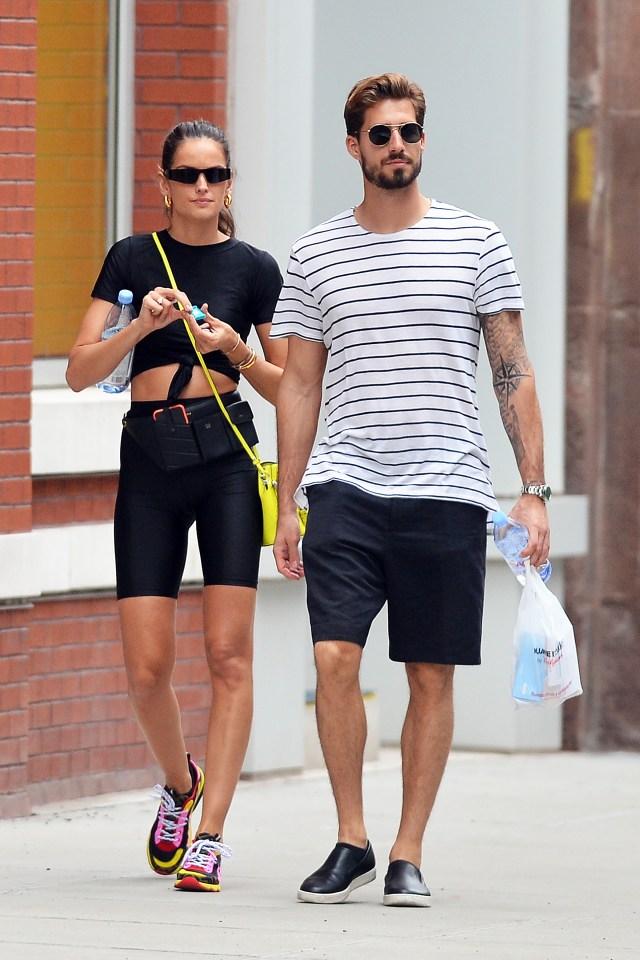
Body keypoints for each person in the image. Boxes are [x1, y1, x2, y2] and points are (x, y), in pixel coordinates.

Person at [270, 74, 550, 908]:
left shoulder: (477, 242)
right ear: (353, 145)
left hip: (447, 488)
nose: (399, 145)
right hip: (346, 485)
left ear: (422, 141)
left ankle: (406, 848)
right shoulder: (316, 253)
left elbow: (513, 370)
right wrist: (287, 500)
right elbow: (297, 387)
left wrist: (533, 489)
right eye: (383, 134)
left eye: (411, 132)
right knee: (334, 659)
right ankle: (351, 836)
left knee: (430, 675)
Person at [66, 119, 286, 893]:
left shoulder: (255, 268)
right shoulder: (131, 257)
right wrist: (137, 328)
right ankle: (180, 783)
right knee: (146, 668)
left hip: (225, 459)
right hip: (151, 460)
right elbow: (75, 369)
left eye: (215, 175)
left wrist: (233, 347)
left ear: (230, 185)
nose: (201, 188)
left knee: (228, 656)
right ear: (161, 184)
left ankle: (212, 835)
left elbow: (288, 385)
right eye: (187, 175)